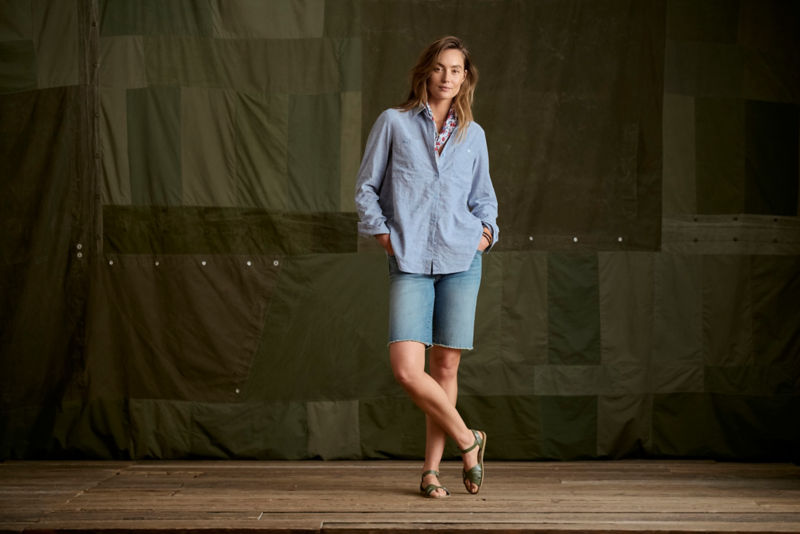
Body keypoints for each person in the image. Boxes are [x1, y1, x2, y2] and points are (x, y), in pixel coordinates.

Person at [354, 36, 499, 498]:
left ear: (464, 78)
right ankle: (467, 440)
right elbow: (366, 187)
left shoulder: (472, 135)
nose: (447, 77)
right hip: (411, 258)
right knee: (405, 368)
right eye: (439, 68)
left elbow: (484, 200)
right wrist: (383, 233)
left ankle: (431, 472)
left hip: (461, 258)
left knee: (446, 367)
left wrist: (485, 235)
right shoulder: (393, 123)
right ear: (425, 73)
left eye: (456, 70)